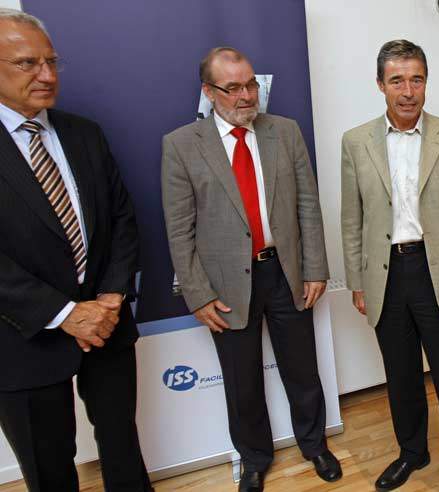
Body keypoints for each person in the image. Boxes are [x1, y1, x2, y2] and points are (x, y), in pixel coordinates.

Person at [161, 47, 341, 492]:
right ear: (209, 91)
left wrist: (315, 267)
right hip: (225, 285)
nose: (246, 96)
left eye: (251, 85)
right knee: (242, 382)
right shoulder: (181, 145)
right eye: (233, 88)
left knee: (302, 367)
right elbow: (179, 228)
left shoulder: (285, 131)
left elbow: (307, 206)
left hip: (285, 271)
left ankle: (314, 444)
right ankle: (254, 459)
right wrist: (197, 293)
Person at [0, 9, 151, 491]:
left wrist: (109, 299)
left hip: (106, 324)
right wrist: (65, 313)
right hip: (24, 336)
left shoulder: (84, 133)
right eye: (27, 63)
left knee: (122, 446)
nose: (46, 75)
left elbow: (123, 220)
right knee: (49, 468)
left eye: (51, 61)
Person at [340, 39, 439, 492]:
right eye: (397, 80)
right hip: (385, 275)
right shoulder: (355, 142)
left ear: (426, 82)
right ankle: (412, 452)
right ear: (380, 84)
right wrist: (356, 282)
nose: (408, 91)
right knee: (400, 376)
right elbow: (352, 218)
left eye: (417, 79)